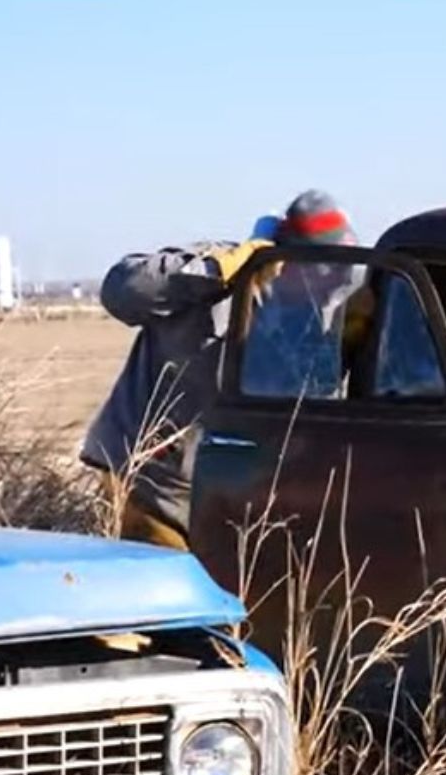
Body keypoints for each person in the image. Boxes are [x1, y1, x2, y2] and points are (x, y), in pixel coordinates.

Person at [80, 189, 360, 549]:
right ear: (291, 261)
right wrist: (216, 271)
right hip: (149, 482)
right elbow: (120, 289)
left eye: (346, 268)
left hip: (221, 488)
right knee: (167, 591)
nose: (340, 281)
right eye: (330, 267)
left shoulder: (312, 320)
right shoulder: (218, 271)